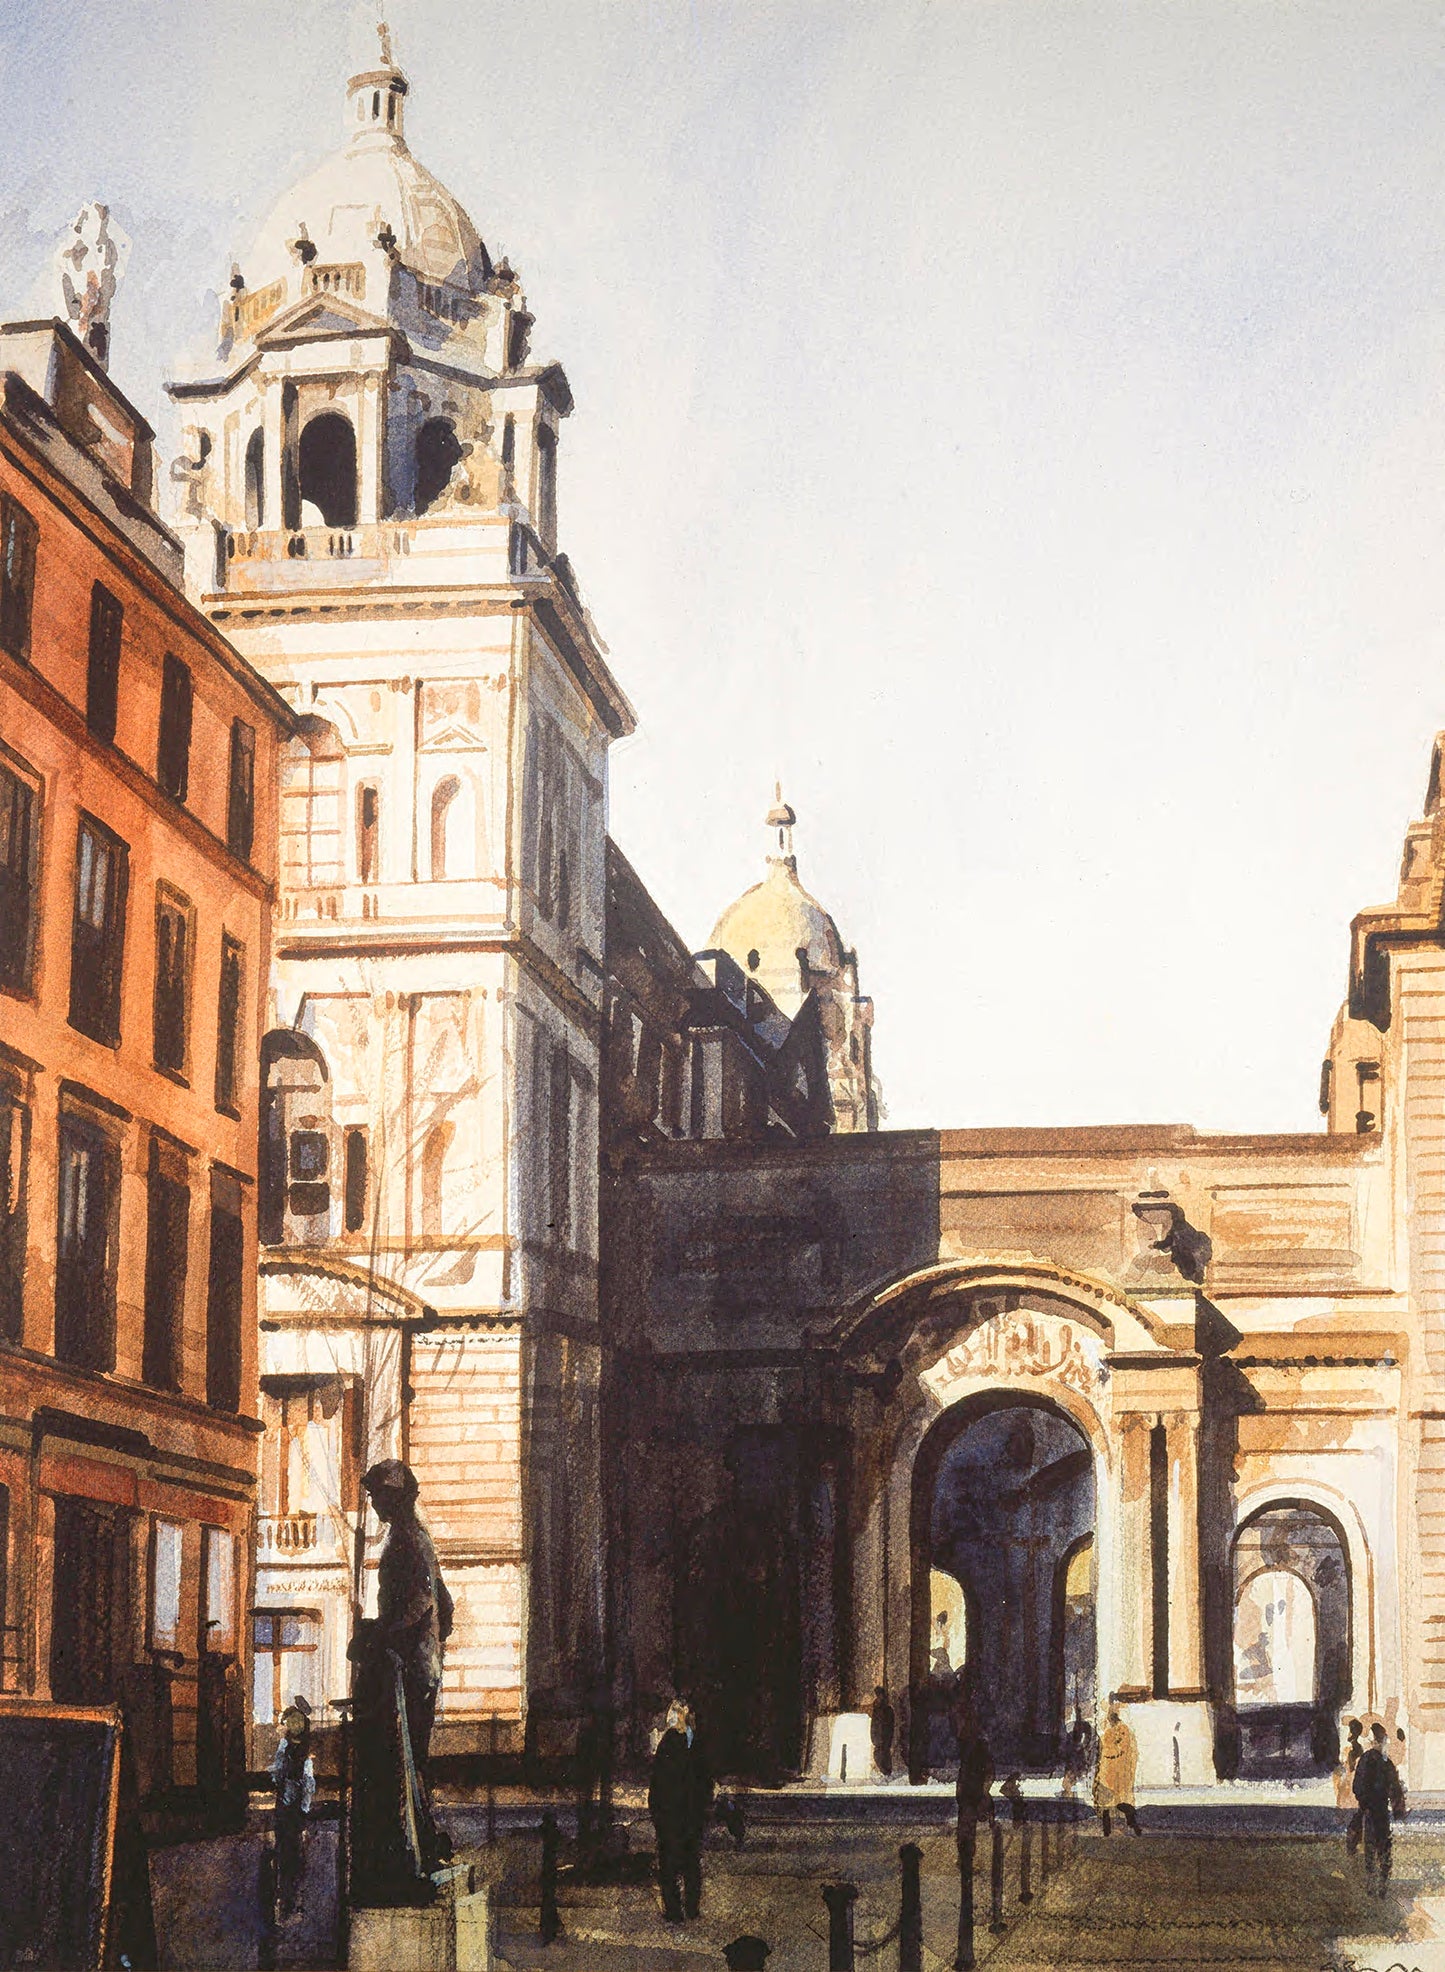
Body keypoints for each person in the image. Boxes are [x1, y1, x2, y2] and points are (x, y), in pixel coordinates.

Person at [349, 1459, 455, 1907]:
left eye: (377, 1496)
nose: (373, 1504)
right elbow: (444, 1608)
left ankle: (408, 1855)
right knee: (413, 1761)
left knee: (403, 1759)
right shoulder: (416, 1538)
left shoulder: (407, 1540)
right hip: (419, 1665)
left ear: (395, 1498)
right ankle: (420, 1847)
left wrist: (381, 1635)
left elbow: (423, 1602)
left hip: (407, 1670)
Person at [649, 1699, 713, 1923]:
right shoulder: (669, 1742)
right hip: (671, 1813)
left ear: (685, 1714)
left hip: (690, 1813)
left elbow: (706, 1778)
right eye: (672, 1714)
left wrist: (704, 1805)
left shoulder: (696, 1742)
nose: (672, 1718)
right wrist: (657, 1812)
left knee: (690, 1863)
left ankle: (691, 1907)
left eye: (676, 1713)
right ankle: (675, 1910)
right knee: (670, 1864)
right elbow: (657, 1781)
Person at [953, 1689, 993, 1972]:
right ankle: (965, 1856)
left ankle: (966, 1856)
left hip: (971, 1793)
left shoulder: (976, 1747)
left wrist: (981, 1791)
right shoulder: (971, 1746)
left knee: (966, 1827)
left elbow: (985, 1772)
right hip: (968, 1793)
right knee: (964, 1828)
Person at [270, 1700, 316, 1918]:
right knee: (290, 1846)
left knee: (289, 1847)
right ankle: (287, 1894)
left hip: (289, 1803)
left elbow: (281, 1772)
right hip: (291, 1804)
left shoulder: (293, 1749)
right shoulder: (296, 1749)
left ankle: (287, 1895)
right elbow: (305, 1781)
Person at [1352, 1722, 1406, 1896]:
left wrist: (1364, 1803)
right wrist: (1398, 1811)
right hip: (1380, 1811)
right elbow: (1395, 1789)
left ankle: (1371, 1884)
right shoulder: (1386, 1763)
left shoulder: (1365, 1760)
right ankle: (1382, 1885)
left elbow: (1357, 1787)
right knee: (1383, 1847)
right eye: (1384, 1740)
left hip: (1369, 1811)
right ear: (1380, 1740)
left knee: (1370, 1847)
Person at [1094, 1703, 1141, 1836]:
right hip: (1107, 1773)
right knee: (1106, 1804)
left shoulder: (1122, 1731)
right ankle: (1107, 1830)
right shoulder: (1109, 1731)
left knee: (1120, 1802)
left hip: (1118, 1773)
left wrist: (1105, 1752)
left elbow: (1118, 1750)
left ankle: (1133, 1825)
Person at [870, 1686, 896, 1778]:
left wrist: (889, 1739)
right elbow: (874, 1724)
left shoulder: (888, 1709)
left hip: (885, 1737)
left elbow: (890, 1726)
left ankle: (886, 1773)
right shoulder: (876, 1709)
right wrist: (873, 1736)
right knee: (879, 1755)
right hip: (878, 1738)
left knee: (884, 1755)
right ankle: (884, 1772)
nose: (879, 1697)